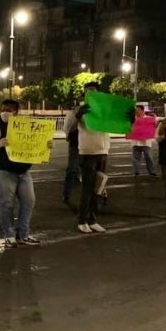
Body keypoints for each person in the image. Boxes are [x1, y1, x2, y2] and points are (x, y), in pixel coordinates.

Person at [0, 99, 48, 248]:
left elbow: (34, 144)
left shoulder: (24, 127)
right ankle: (9, 234)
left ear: (16, 111)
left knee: (29, 202)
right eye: (4, 108)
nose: (7, 111)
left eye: (11, 109)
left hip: (24, 172)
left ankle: (23, 234)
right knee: (7, 204)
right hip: (5, 171)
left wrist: (46, 144)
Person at [64, 82, 111, 234]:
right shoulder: (79, 109)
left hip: (102, 151)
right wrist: (77, 116)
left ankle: (93, 219)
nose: (90, 94)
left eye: (93, 91)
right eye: (87, 92)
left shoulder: (104, 108)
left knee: (98, 188)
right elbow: (68, 129)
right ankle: (82, 220)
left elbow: (116, 124)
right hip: (87, 152)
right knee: (87, 188)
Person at [130, 105, 158, 176]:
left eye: (138, 110)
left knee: (148, 157)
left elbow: (155, 127)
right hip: (135, 142)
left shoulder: (149, 118)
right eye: (136, 110)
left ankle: (151, 171)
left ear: (143, 110)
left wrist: (155, 119)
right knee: (136, 158)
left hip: (146, 143)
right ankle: (136, 172)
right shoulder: (133, 119)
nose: (136, 112)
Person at [62, 114, 80, 205]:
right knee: (72, 169)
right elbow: (69, 127)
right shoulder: (77, 111)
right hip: (76, 144)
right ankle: (66, 193)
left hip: (93, 147)